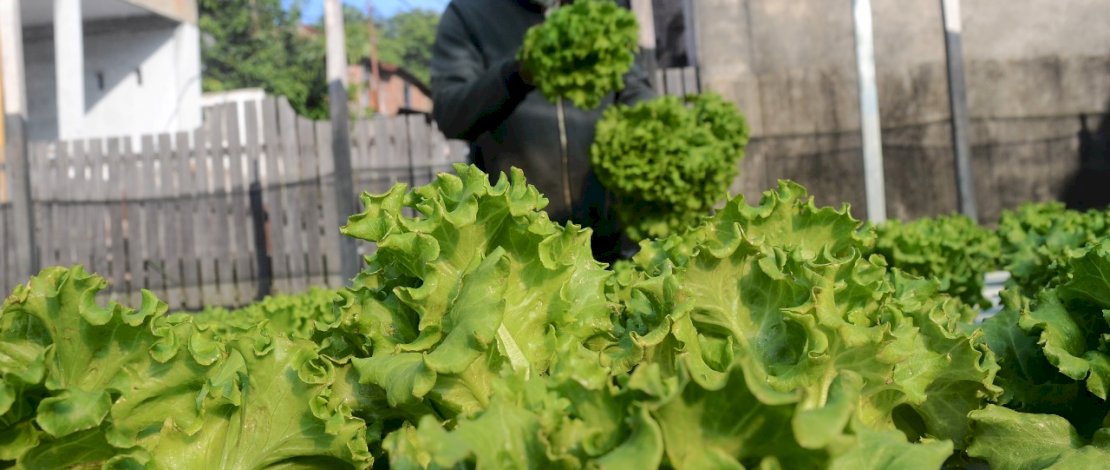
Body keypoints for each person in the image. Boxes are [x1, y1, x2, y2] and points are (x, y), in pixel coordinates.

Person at [430, 0, 656, 262]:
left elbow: (632, 86)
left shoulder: (601, 7)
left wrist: (651, 122)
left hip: (610, 239)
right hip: (518, 246)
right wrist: (517, 74)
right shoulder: (470, 13)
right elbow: (451, 113)